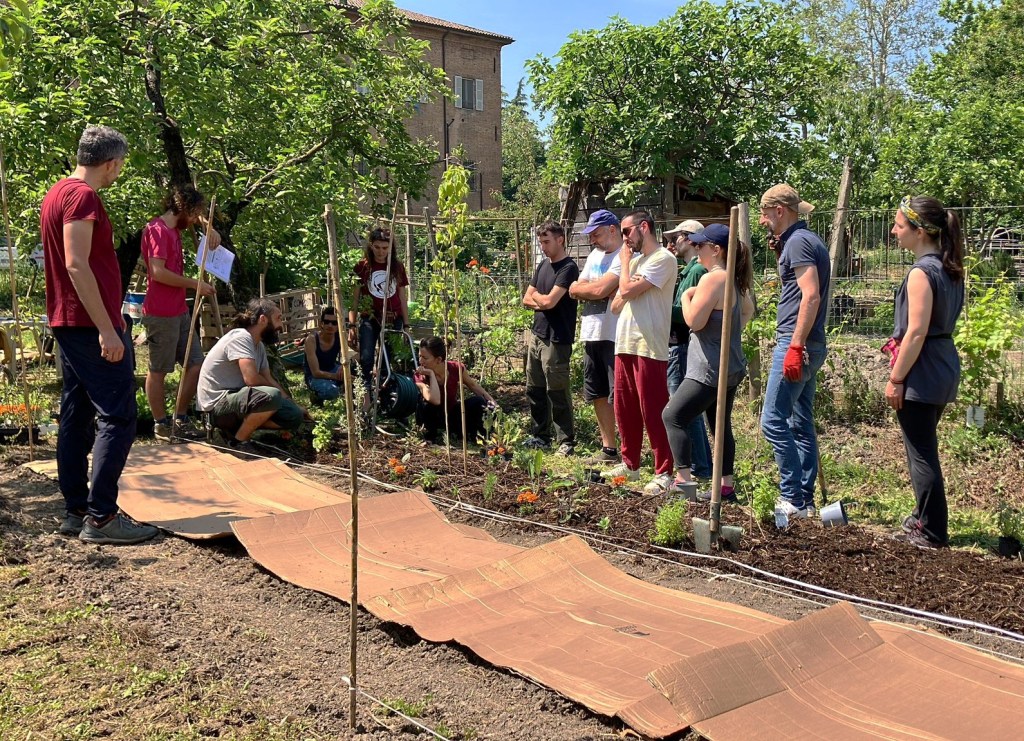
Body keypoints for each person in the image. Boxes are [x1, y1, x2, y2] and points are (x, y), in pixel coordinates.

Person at [41, 125, 158, 545]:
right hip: (88, 324)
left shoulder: (57, 192)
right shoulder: (82, 196)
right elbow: (76, 264)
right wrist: (108, 328)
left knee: (76, 412)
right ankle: (102, 517)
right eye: (120, 164)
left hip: (71, 320)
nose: (119, 171)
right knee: (118, 415)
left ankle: (76, 509)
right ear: (110, 162)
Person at [885, 196, 965, 549]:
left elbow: (915, 333)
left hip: (922, 370)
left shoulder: (921, 273)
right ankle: (922, 516)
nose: (894, 231)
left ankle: (931, 532)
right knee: (923, 446)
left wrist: (896, 378)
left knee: (921, 453)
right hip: (943, 365)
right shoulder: (950, 268)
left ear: (919, 232)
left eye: (899, 225)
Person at [662, 224, 755, 501]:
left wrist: (686, 297)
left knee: (673, 416)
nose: (696, 248)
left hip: (708, 368)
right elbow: (747, 312)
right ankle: (726, 487)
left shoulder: (713, 279)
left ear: (716, 250)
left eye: (700, 245)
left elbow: (694, 320)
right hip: (730, 365)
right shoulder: (734, 278)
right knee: (720, 425)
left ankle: (683, 482)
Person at [758, 184, 831, 519]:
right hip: (810, 342)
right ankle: (805, 500)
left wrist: (795, 346)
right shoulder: (803, 240)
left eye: (764, 214)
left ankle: (793, 498)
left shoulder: (799, 242)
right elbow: (799, 289)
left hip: (796, 342)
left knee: (773, 421)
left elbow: (810, 295)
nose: (762, 221)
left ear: (779, 211)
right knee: (800, 423)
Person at [604, 210, 678, 495]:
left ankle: (664, 472)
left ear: (643, 227)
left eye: (626, 231)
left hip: (649, 345)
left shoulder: (663, 258)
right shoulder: (635, 262)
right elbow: (615, 305)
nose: (624, 239)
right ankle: (630, 464)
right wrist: (630, 283)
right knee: (625, 408)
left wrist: (626, 274)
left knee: (653, 410)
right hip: (625, 342)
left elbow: (624, 291)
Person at [140, 184, 218, 440]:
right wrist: (195, 284)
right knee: (159, 370)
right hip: (161, 312)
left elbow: (200, 219)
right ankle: (161, 424)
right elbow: (158, 272)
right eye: (194, 214)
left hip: (179, 310)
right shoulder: (158, 230)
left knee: (196, 363)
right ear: (184, 209)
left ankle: (180, 418)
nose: (195, 220)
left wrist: (209, 227)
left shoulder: (174, 228)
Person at [197, 298, 308, 455]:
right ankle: (238, 442)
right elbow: (252, 379)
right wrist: (276, 396)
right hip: (215, 407)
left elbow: (268, 379)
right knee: (272, 395)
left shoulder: (259, 345)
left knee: (293, 415)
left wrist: (291, 403)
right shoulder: (241, 338)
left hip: (239, 401)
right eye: (278, 318)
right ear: (263, 320)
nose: (281, 325)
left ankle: (237, 430)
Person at [521, 220, 579, 456]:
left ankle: (566, 440)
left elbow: (549, 301)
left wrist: (540, 298)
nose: (543, 247)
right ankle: (540, 436)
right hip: (537, 334)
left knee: (557, 390)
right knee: (534, 388)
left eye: (546, 242)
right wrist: (541, 300)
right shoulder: (543, 265)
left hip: (557, 338)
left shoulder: (568, 268)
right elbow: (526, 298)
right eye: (541, 242)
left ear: (560, 240)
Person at [569, 209, 622, 465]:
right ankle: (609, 448)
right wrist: (597, 290)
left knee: (618, 394)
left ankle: (630, 450)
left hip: (615, 334)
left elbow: (598, 288)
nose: (592, 240)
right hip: (592, 332)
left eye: (596, 234)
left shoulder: (625, 256)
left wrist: (594, 289)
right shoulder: (594, 255)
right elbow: (573, 288)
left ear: (612, 229)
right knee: (597, 392)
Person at [664, 219, 713, 479]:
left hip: (682, 344)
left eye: (676, 238)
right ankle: (702, 466)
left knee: (684, 410)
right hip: (680, 344)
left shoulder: (695, 272)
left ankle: (699, 467)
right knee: (687, 410)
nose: (672, 244)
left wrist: (659, 306)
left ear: (689, 239)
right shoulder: (688, 271)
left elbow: (688, 315)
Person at [349, 227, 410, 407]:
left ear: (391, 247)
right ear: (370, 246)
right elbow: (354, 298)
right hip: (370, 318)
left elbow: (402, 297)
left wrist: (406, 324)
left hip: (393, 318)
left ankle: (384, 397)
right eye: (377, 247)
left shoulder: (397, 267)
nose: (381, 252)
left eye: (385, 248)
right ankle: (365, 398)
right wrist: (351, 326)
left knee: (386, 358)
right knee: (366, 357)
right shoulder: (362, 267)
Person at [414, 336, 496, 443]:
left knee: (479, 401)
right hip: (433, 418)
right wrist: (431, 374)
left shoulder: (455, 368)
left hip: (452, 415)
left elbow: (473, 386)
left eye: (425, 358)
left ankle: (483, 437)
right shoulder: (419, 375)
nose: (420, 361)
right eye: (420, 356)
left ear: (439, 359)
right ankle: (430, 438)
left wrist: (494, 405)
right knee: (424, 402)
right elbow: (434, 400)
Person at [303, 306, 343, 403]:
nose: (330, 325)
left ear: (338, 325)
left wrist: (344, 367)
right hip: (314, 377)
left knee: (355, 374)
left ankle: (340, 387)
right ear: (321, 323)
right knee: (332, 391)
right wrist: (338, 376)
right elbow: (315, 373)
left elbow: (358, 352)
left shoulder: (341, 337)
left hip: (332, 369)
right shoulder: (311, 340)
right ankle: (316, 396)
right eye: (326, 322)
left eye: (334, 323)